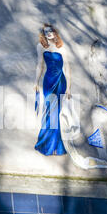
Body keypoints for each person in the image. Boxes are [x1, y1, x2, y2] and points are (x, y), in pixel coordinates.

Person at [33, 23, 71, 156]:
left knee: (56, 112)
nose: (49, 33)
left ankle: (54, 145)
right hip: (48, 81)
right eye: (46, 31)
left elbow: (67, 69)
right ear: (44, 34)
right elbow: (40, 66)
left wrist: (69, 88)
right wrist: (36, 82)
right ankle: (46, 143)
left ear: (55, 32)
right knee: (49, 111)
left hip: (60, 81)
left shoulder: (62, 47)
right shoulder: (41, 47)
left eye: (51, 31)